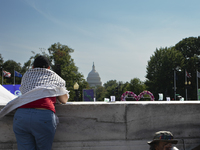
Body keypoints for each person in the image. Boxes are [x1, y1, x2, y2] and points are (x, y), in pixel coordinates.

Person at [11, 55, 69, 150]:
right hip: (43, 116)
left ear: (33, 67)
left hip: (21, 115)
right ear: (49, 68)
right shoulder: (54, 76)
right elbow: (64, 100)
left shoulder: (26, 75)